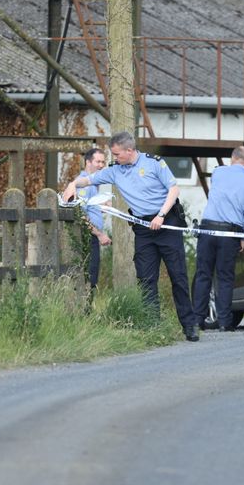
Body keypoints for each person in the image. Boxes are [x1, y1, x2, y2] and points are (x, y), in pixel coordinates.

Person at [62, 131, 200, 342]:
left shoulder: (154, 163)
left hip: (166, 223)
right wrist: (73, 184)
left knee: (178, 276)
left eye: (116, 154)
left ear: (129, 150)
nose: (113, 158)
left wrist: (161, 215)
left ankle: (189, 325)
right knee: (145, 278)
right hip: (143, 228)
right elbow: (88, 180)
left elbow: (174, 189)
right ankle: (153, 325)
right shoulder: (115, 171)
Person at [192, 146, 244, 332]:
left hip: (207, 230)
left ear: (232, 158)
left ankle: (198, 319)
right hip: (230, 234)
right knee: (225, 278)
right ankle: (224, 322)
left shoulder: (218, 173)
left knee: (203, 274)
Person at [76, 148, 112, 290]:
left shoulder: (92, 184)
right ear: (88, 162)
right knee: (88, 279)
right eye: (98, 161)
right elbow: (80, 214)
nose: (101, 165)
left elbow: (88, 206)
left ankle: (87, 310)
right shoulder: (83, 184)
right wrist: (100, 234)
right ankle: (84, 311)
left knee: (92, 277)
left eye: (103, 162)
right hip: (88, 237)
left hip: (92, 237)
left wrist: (101, 205)